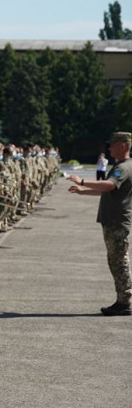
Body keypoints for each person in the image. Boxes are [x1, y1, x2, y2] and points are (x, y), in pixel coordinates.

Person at [68, 132, 132, 316]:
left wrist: (82, 180)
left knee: (119, 262)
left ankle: (124, 302)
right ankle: (123, 300)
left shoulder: (123, 168)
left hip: (116, 221)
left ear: (123, 146)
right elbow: (109, 191)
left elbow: (110, 185)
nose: (109, 148)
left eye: (112, 145)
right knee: (116, 260)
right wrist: (83, 191)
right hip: (115, 220)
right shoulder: (123, 166)